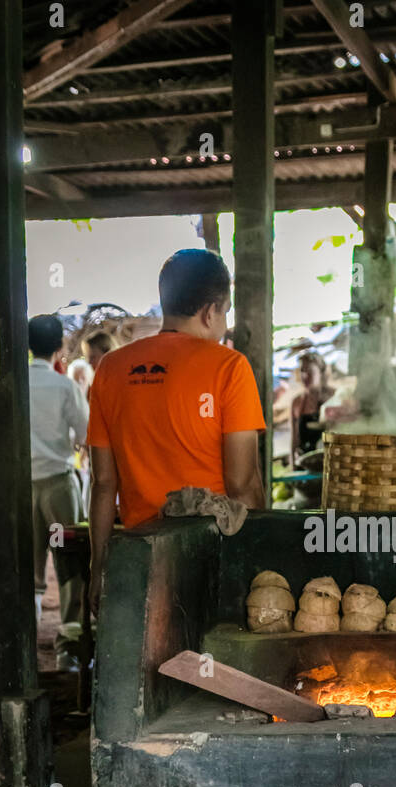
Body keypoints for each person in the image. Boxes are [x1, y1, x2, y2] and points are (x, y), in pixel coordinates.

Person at [87, 248, 266, 614]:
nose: (224, 323)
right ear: (210, 311)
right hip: (212, 555)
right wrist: (261, 552)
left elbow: (104, 483)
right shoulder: (230, 368)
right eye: (225, 311)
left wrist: (99, 567)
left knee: (149, 665)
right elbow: (242, 484)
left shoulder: (111, 368)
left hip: (141, 559)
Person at [28, 313, 89, 671]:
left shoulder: (15, 385)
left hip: (21, 488)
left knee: (30, 568)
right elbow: (85, 436)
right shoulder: (64, 387)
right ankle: (67, 652)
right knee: (69, 566)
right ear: (59, 347)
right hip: (58, 487)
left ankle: (27, 649)